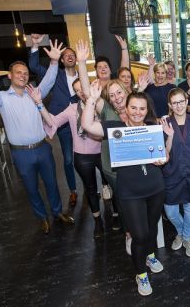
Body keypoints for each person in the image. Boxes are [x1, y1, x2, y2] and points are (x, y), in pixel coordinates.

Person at [0, 36, 74, 234]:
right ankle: (42, 218)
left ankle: (57, 212)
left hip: (43, 148)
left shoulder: (34, 93)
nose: (23, 76)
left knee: (52, 185)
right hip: (21, 154)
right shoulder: (2, 98)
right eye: (18, 73)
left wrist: (55, 61)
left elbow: (48, 81)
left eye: (25, 73)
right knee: (32, 189)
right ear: (9, 76)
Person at [81, 82, 166, 296]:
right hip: (130, 193)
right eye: (134, 108)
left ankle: (150, 254)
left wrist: (163, 159)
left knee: (153, 228)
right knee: (139, 235)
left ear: (147, 110)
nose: (138, 112)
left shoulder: (153, 127)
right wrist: (91, 100)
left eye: (142, 108)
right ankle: (141, 275)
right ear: (126, 109)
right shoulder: (114, 128)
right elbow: (89, 126)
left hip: (155, 188)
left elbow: (164, 155)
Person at [27, 79, 109, 237]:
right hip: (82, 156)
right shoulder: (72, 109)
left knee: (112, 183)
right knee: (91, 190)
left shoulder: (101, 106)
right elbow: (53, 121)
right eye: (77, 91)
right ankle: (98, 222)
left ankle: (115, 215)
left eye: (82, 89)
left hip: (103, 152)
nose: (81, 92)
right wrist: (39, 104)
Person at [76, 40, 128, 249]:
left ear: (126, 90)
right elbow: (88, 94)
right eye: (112, 95)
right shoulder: (106, 110)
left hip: (137, 168)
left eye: (119, 93)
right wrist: (81, 63)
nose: (116, 98)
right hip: (114, 170)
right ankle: (129, 234)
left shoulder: (137, 106)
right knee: (123, 204)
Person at [28, 33, 79, 206]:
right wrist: (35, 45)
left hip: (82, 124)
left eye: (72, 55)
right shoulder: (55, 74)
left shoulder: (84, 77)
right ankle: (73, 190)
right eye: (66, 56)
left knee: (87, 157)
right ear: (62, 61)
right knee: (68, 159)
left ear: (77, 59)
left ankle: (95, 186)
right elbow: (34, 66)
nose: (69, 57)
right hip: (62, 124)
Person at [161, 88, 190, 257]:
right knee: (171, 212)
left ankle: (186, 238)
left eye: (181, 101)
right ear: (170, 105)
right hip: (172, 173)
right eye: (175, 103)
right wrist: (170, 137)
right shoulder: (164, 124)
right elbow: (164, 155)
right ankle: (182, 232)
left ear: (187, 102)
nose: (179, 105)